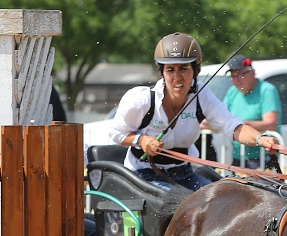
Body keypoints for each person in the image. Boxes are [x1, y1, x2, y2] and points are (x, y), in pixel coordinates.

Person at [109, 32, 275, 191]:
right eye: (170, 70)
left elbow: (232, 126)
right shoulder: (141, 100)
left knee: (219, 200)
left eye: (184, 68)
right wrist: (141, 140)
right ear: (161, 72)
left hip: (185, 174)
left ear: (195, 70)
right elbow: (115, 133)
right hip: (143, 176)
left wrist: (261, 139)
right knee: (182, 206)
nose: (177, 77)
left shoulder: (202, 95)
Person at [222, 54, 281, 170]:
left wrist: (240, 125)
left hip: (264, 157)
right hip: (239, 156)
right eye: (233, 77)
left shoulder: (266, 90)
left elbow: (271, 124)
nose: (237, 80)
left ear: (252, 73)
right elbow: (220, 117)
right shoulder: (232, 92)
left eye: (240, 75)